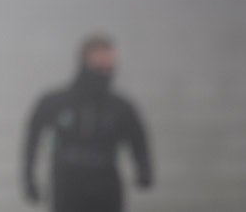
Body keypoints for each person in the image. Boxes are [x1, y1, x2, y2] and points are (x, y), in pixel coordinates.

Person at [21, 34, 153, 212]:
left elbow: (138, 140)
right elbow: (32, 139)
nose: (105, 71)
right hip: (67, 185)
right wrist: (29, 179)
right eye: (99, 64)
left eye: (109, 66)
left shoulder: (120, 107)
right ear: (85, 62)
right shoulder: (56, 102)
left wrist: (144, 170)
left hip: (106, 186)